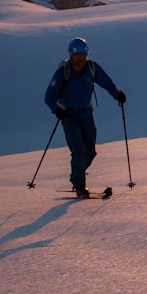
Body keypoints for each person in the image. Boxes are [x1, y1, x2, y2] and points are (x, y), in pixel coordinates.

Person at [44, 37, 126, 198]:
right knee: (79, 151)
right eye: (77, 55)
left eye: (83, 54)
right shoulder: (63, 72)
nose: (81, 58)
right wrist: (57, 110)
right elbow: (49, 96)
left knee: (90, 152)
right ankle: (79, 184)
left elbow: (107, 83)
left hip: (87, 115)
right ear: (71, 55)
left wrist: (117, 94)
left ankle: (76, 175)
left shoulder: (92, 68)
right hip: (69, 116)